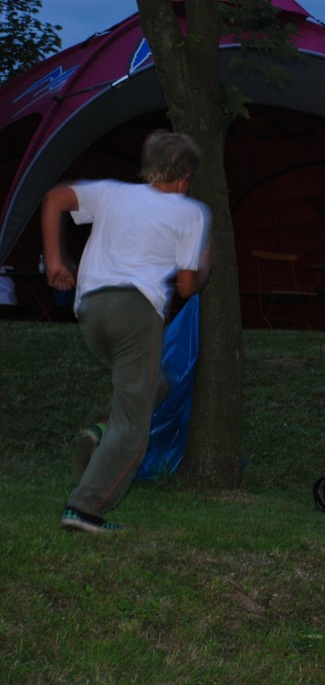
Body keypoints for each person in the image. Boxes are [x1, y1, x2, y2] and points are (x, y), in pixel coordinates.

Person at [41, 130, 212, 533]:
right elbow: (187, 287)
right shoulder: (191, 212)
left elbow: (54, 199)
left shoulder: (112, 193)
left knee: (156, 386)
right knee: (134, 426)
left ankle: (101, 428)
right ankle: (84, 507)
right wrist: (205, 263)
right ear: (185, 177)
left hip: (92, 313)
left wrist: (55, 261)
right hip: (136, 314)